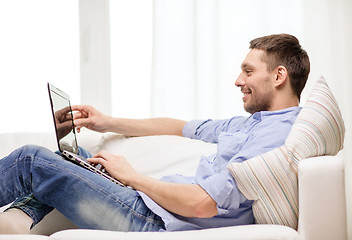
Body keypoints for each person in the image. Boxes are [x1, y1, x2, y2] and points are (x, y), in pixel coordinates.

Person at [0, 33, 310, 234]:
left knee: (30, 160)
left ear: (279, 76)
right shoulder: (252, 123)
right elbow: (179, 127)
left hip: (152, 221)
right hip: (151, 206)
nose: (238, 80)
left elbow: (204, 203)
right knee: (80, 157)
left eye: (249, 71)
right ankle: (20, 219)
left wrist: (132, 177)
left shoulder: (278, 135)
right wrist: (106, 121)